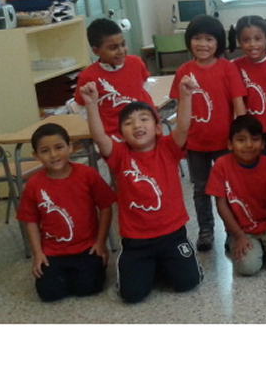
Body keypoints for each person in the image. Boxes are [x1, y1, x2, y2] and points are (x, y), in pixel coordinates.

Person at [80, 77, 203, 304]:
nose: (137, 125)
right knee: (132, 295)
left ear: (158, 128)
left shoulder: (168, 148)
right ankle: (151, 266)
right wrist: (91, 105)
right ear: (121, 134)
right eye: (128, 123)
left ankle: (163, 264)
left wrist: (186, 96)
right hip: (136, 241)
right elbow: (99, 137)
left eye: (144, 119)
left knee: (188, 282)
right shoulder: (119, 155)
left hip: (172, 234)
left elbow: (184, 126)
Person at [171, 14, 247, 252]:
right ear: (189, 41)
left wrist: (241, 137)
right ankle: (206, 229)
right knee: (201, 188)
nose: (202, 44)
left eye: (209, 39)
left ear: (218, 42)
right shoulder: (184, 71)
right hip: (196, 144)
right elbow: (180, 108)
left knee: (229, 187)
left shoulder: (227, 68)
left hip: (225, 143)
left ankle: (233, 229)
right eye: (197, 38)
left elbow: (239, 104)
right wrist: (181, 140)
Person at [16, 123, 115, 302]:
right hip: (53, 252)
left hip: (86, 248)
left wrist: (101, 242)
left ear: (70, 147)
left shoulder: (87, 174)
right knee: (49, 293)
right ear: (36, 155)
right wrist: (38, 253)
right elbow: (30, 221)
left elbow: (106, 207)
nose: (54, 155)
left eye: (59, 147)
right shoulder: (33, 184)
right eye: (45, 151)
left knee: (89, 287)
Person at [206, 115, 266, 275]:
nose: (248, 145)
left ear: (263, 144)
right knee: (248, 267)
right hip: (241, 229)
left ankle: (265, 248)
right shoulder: (221, 166)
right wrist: (239, 235)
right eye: (241, 140)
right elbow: (221, 205)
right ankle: (235, 242)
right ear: (230, 144)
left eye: (255, 139)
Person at [74, 18, 154, 138]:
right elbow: (83, 108)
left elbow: (144, 88)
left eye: (123, 44)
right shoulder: (88, 77)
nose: (121, 51)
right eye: (113, 48)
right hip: (113, 137)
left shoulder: (136, 63)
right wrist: (100, 132)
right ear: (96, 51)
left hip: (144, 130)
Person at [232, 15, 266, 164]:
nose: (252, 44)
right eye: (246, 40)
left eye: (257, 39)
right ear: (239, 42)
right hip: (251, 130)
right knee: (254, 166)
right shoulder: (235, 66)